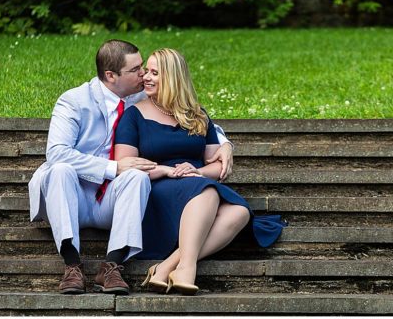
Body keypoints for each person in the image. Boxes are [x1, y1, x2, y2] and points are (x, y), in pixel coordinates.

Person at [27, 40, 234, 295]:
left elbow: (186, 114)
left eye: (145, 68)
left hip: (112, 200)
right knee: (60, 170)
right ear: (111, 75)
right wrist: (113, 167)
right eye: (136, 69)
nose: (143, 74)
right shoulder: (73, 101)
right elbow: (56, 153)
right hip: (72, 196)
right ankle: (72, 265)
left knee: (136, 176)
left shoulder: (140, 95)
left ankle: (112, 266)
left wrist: (225, 144)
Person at [113, 48, 284, 296]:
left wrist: (198, 172)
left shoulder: (196, 115)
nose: (146, 78)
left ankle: (168, 266)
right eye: (146, 71)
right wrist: (165, 170)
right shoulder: (134, 115)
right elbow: (125, 166)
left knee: (239, 212)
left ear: (173, 78)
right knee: (208, 194)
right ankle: (187, 268)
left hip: (196, 181)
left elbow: (218, 166)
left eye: (154, 73)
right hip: (158, 187)